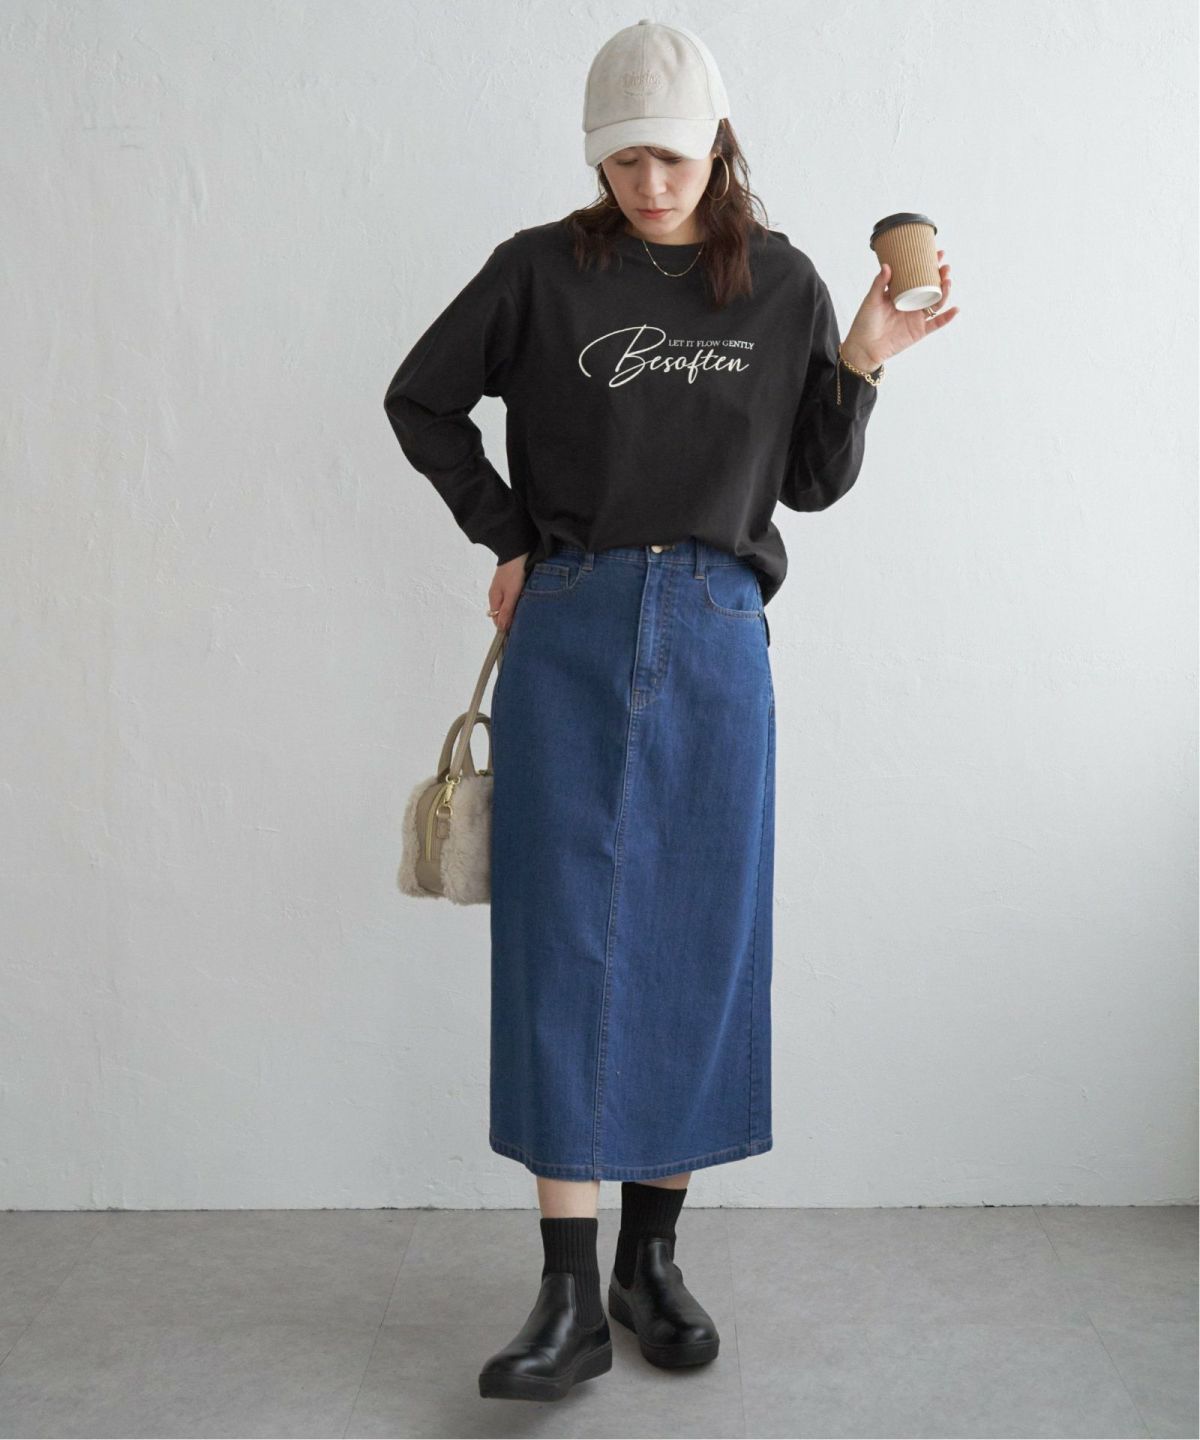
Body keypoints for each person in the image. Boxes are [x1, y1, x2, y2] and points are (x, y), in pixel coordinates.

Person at [383, 18, 957, 1404]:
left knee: (699, 934)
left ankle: (653, 1261)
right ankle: (568, 1295)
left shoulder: (782, 281)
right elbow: (421, 400)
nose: (649, 182)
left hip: (714, 628)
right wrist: (509, 535)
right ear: (596, 155)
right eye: (624, 157)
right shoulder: (540, 272)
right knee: (560, 943)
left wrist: (865, 353)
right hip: (573, 617)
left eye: (674, 157)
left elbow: (810, 483)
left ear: (719, 149)